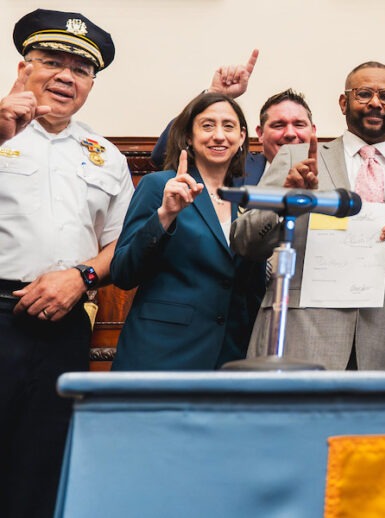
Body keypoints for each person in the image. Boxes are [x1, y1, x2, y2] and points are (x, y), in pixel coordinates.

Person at [232, 61, 385, 370]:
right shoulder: (297, 157)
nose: (375, 102)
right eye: (364, 93)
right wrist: (285, 201)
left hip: (384, 344)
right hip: (301, 332)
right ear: (344, 103)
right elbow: (244, 240)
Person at [0, 9, 129, 517]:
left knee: (43, 465)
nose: (65, 77)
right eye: (52, 61)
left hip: (66, 323)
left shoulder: (106, 155)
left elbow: (123, 245)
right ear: (23, 68)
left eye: (79, 70)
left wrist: (82, 277)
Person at [110, 92, 264, 370]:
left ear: (242, 137)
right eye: (207, 126)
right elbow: (123, 272)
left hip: (229, 356)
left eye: (228, 126)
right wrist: (165, 216)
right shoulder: (159, 185)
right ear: (189, 137)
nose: (219, 135)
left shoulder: (248, 200)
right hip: (161, 352)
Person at [150, 51, 316, 187]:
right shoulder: (232, 167)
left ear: (313, 131)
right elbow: (163, 155)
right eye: (278, 125)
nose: (290, 133)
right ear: (260, 133)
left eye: (299, 124)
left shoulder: (335, 170)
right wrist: (216, 95)